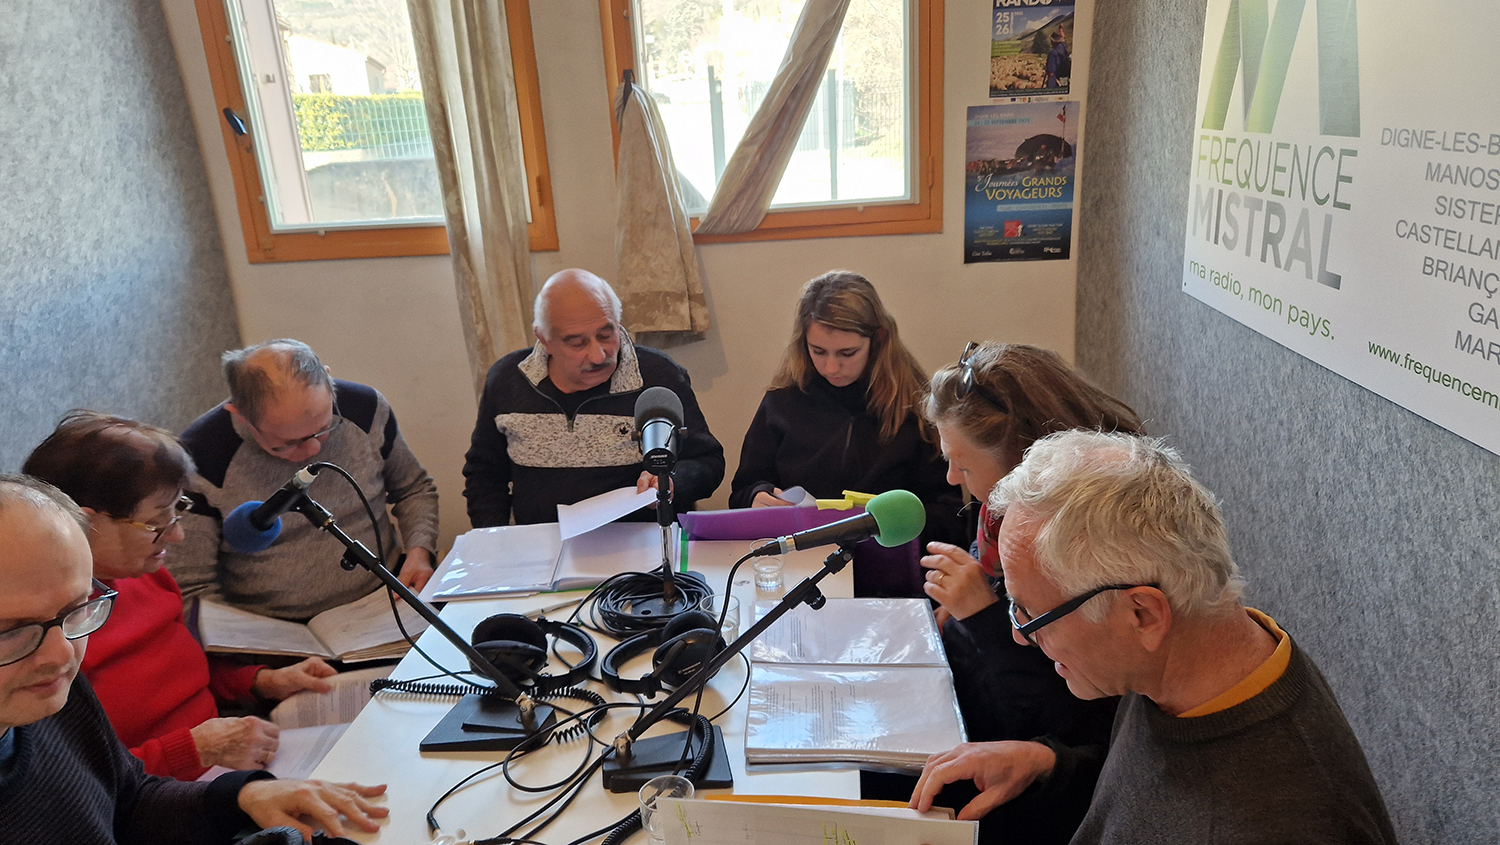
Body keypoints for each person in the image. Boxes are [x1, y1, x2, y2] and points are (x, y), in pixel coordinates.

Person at [911, 431, 1398, 844]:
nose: (1020, 638)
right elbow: (1151, 794)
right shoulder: (1201, 657)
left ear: (1142, 612)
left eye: (1033, 616)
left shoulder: (1280, 822)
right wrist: (1050, 766)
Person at [0, 474, 388, 843]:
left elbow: (130, 799)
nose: (63, 653)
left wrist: (241, 798)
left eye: (77, 607)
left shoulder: (52, 694)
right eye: (12, 629)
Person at [901, 343, 1142, 842]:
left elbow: (1071, 723)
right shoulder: (999, 515)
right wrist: (961, 615)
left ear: (1022, 460)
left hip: (1037, 783)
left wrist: (982, 619)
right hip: (971, 724)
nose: (951, 480)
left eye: (964, 467)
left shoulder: (1081, 545)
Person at [22, 412, 337, 780]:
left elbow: (179, 674)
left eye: (178, 510)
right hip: (161, 797)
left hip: (229, 758)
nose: (176, 536)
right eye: (158, 522)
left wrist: (258, 681)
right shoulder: (49, 638)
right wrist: (194, 750)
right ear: (84, 523)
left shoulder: (147, 578)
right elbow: (73, 783)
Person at [728, 271, 965, 592]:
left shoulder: (914, 408)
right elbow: (743, 488)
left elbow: (950, 513)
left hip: (887, 577)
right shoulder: (782, 401)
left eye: (847, 353)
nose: (830, 368)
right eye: (818, 351)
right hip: (800, 571)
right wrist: (757, 495)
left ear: (878, 340)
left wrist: (887, 522)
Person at [175, 339, 440, 620]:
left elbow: (414, 489)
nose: (313, 451)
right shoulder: (200, 455)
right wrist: (248, 649)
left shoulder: (365, 409)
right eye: (288, 443)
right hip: (274, 629)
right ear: (239, 414)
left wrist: (420, 551)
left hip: (384, 599)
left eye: (325, 429)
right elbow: (192, 585)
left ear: (328, 379)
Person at [463, 268, 725, 527]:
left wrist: (674, 482)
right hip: (543, 548)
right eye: (577, 343)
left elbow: (707, 462)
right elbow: (485, 475)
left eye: (605, 334)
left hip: (641, 546)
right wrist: (494, 541)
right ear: (544, 339)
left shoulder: (658, 376)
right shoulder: (508, 380)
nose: (599, 355)